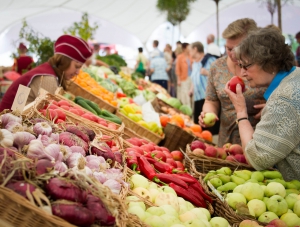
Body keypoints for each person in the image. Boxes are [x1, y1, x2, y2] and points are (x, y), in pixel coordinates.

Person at [225, 27, 299, 181]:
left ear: (270, 63)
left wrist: (241, 111)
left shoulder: (283, 100)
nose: (242, 74)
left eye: (247, 66)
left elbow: (256, 158)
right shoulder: (295, 76)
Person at [198, 18, 266, 147]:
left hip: (260, 142)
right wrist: (208, 113)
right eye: (229, 49)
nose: (233, 54)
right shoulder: (217, 67)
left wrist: (272, 108)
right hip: (226, 142)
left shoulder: (264, 66)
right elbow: (211, 100)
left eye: (239, 49)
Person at [0, 35, 92, 112]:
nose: (77, 72)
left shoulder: (46, 70)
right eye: (77, 66)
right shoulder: (48, 79)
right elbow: (49, 114)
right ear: (64, 61)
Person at [189, 42, 218, 125]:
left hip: (207, 98)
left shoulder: (209, 60)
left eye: (190, 50)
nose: (189, 53)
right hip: (197, 97)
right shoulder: (194, 64)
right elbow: (194, 79)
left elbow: (219, 75)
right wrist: (191, 89)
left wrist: (207, 72)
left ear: (195, 49)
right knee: (199, 124)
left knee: (208, 123)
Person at [176, 43, 193, 108]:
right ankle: (186, 110)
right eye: (188, 47)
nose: (189, 48)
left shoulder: (191, 56)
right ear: (184, 48)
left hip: (191, 78)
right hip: (183, 78)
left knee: (190, 95)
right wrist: (178, 80)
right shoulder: (180, 57)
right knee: (185, 95)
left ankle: (191, 110)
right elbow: (178, 69)